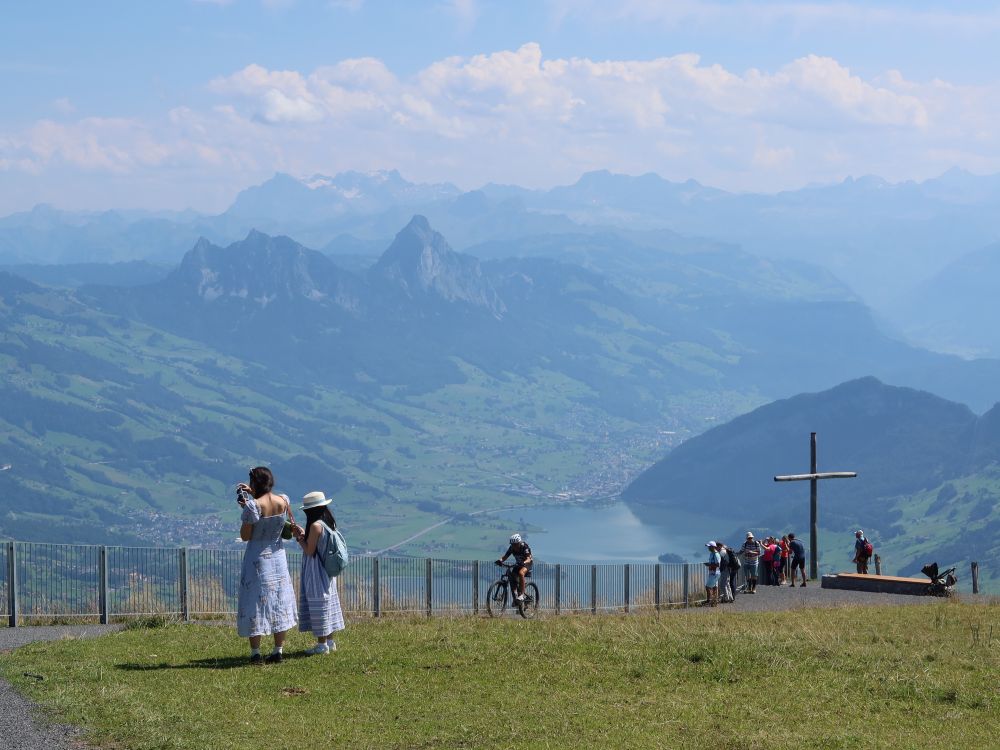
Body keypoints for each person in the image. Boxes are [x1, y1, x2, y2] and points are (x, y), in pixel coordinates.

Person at [236, 466, 297, 664]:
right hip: (278, 557)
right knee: (279, 600)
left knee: (255, 602)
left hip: (258, 559)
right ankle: (278, 650)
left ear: (254, 484)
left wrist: (246, 507)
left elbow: (246, 536)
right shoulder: (284, 501)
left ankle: (255, 653)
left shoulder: (253, 506)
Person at [292, 491, 346, 655]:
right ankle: (330, 641)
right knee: (328, 603)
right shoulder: (328, 523)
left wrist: (299, 538)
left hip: (316, 571)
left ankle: (321, 645)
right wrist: (303, 534)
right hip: (327, 571)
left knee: (319, 605)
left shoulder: (315, 526)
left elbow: (309, 550)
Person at [496, 533, 533, 601]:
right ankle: (515, 598)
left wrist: (524, 562)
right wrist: (500, 560)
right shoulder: (511, 548)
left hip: (527, 563)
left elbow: (528, 558)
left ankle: (521, 595)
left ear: (519, 542)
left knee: (521, 573)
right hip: (519, 564)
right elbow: (505, 557)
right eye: (512, 544)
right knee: (512, 578)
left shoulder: (524, 546)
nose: (514, 546)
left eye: (515, 544)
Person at [704, 541, 721, 606]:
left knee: (708, 587)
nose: (708, 548)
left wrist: (709, 564)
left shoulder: (716, 554)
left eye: (709, 547)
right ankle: (714, 601)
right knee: (714, 587)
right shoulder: (712, 554)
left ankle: (709, 600)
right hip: (712, 572)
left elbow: (718, 564)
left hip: (715, 573)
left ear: (713, 547)